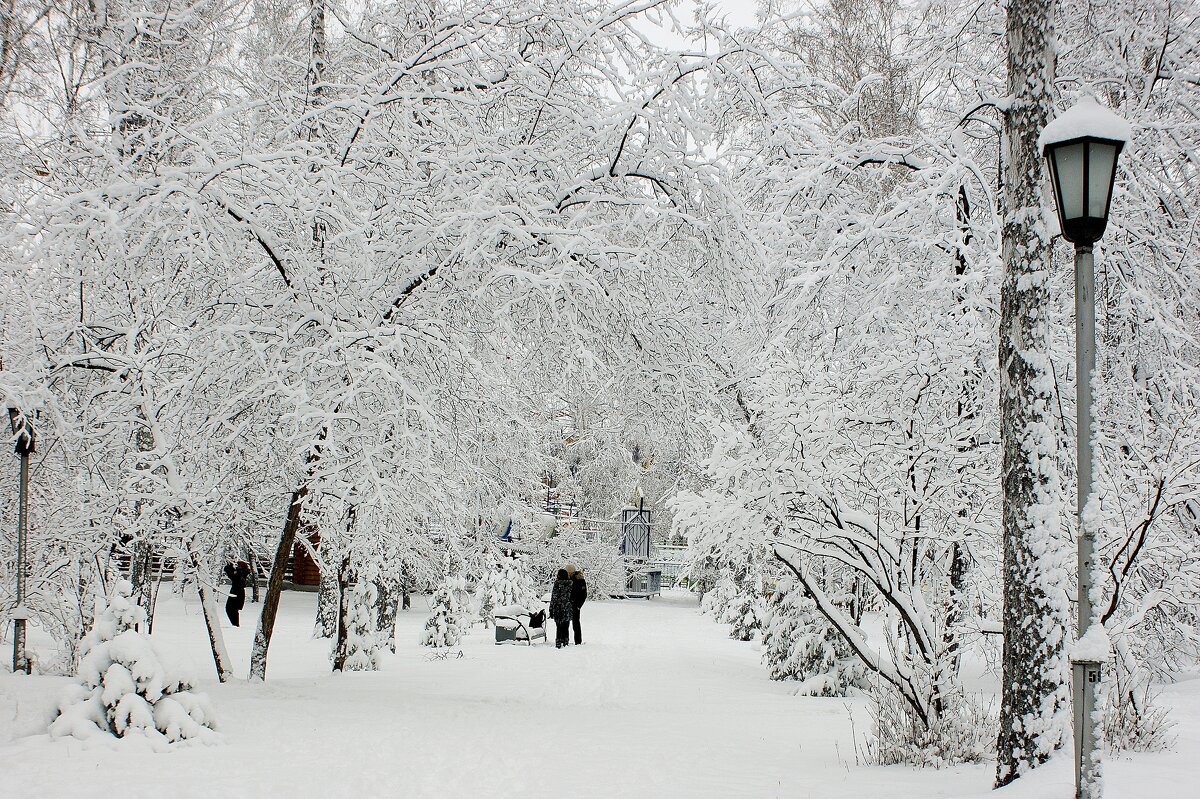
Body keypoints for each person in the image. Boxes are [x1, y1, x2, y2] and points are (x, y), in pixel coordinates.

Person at [549, 568, 574, 648]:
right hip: (567, 608)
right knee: (566, 626)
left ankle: (558, 642)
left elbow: (554, 597)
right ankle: (565, 641)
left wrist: (551, 608)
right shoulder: (571, 584)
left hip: (558, 608)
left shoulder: (557, 584)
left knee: (559, 626)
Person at [224, 560, 251, 627]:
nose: (236, 567)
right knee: (232, 609)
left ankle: (235, 625)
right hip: (237, 592)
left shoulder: (241, 573)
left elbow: (234, 577)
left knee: (231, 609)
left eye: (238, 566)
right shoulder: (241, 573)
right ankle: (235, 624)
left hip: (237, 593)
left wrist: (229, 568)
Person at [570, 567, 587, 645]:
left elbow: (584, 595)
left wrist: (578, 605)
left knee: (576, 623)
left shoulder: (580, 581)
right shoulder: (569, 579)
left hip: (575, 605)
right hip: (570, 604)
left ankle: (578, 641)